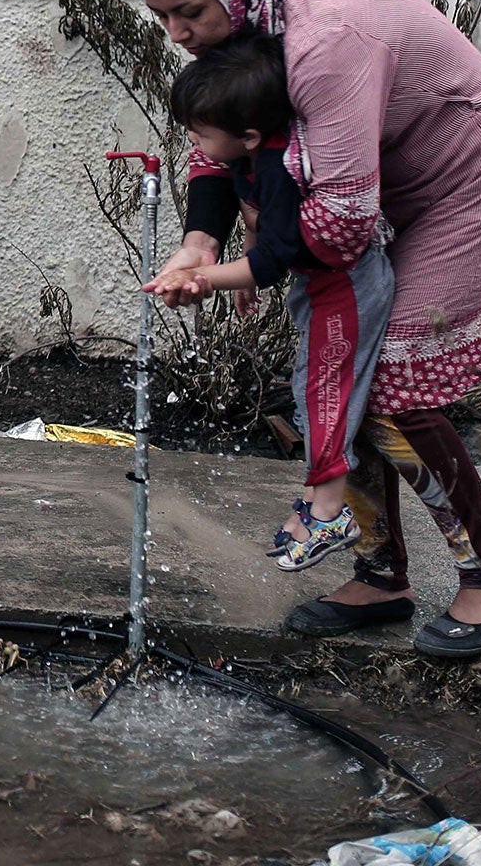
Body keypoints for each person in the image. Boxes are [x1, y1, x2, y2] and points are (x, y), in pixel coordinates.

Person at [134, 0, 481, 657]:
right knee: (348, 374)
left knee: (388, 378)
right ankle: (383, 572)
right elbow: (219, 148)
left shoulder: (325, 44)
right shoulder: (249, 21)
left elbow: (341, 224)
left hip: (475, 183)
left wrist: (238, 270)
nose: (176, 32)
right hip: (399, 187)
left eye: (187, 10)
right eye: (161, 15)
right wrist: (199, 243)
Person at [151, 35, 393, 572]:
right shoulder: (249, 155)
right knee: (312, 390)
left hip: (346, 288)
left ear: (249, 134)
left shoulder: (282, 165)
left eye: (199, 133)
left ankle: (332, 513)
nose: (193, 141)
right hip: (322, 286)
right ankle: (318, 499)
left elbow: (278, 256)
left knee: (326, 393)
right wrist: (238, 264)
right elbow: (260, 231)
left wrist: (211, 276)